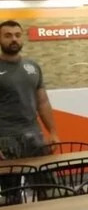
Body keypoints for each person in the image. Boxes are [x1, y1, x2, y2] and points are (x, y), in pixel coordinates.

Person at [0, 20, 59, 159]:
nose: (14, 39)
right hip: (5, 139)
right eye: (8, 36)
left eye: (17, 35)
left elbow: (43, 102)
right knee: (13, 175)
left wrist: (53, 132)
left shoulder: (33, 67)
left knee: (43, 174)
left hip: (34, 136)